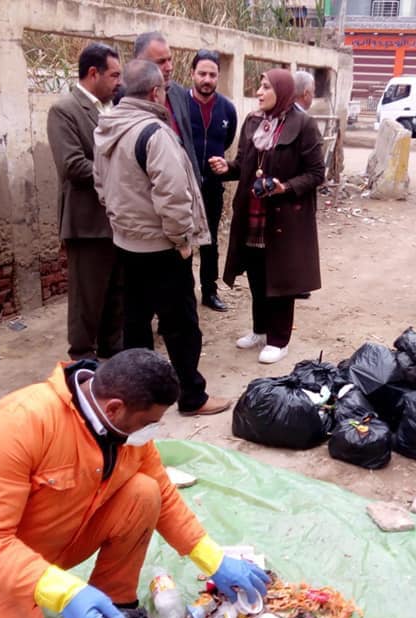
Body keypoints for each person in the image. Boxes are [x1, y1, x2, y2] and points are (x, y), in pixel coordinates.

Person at [0, 349, 269, 618]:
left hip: (59, 542)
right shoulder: (15, 425)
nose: (151, 432)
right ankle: (24, 617)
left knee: (144, 492)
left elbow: (165, 497)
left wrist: (212, 559)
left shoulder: (121, 426)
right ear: (114, 408)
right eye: (149, 423)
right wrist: (65, 592)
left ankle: (115, 604)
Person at [93, 60, 230, 416]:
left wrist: (121, 223)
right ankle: (192, 397)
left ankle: (136, 397)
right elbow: (172, 197)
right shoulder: (153, 133)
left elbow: (100, 184)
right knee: (182, 325)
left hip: (127, 243)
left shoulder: (108, 126)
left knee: (135, 323)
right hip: (161, 246)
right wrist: (182, 240)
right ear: (155, 92)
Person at [209, 70, 325, 365]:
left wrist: (285, 187)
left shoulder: (304, 125)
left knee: (280, 277)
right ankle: (260, 331)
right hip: (252, 212)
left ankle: (279, 339)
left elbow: (315, 174)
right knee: (257, 273)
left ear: (283, 91)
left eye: (265, 87)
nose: (259, 93)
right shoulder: (253, 122)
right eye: (259, 87)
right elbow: (246, 164)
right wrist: (228, 168)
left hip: (285, 217)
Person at [47, 43, 124, 361]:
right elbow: (72, 165)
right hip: (87, 222)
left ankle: (111, 351)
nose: (119, 82)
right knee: (87, 299)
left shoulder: (112, 107)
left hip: (115, 219)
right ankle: (81, 359)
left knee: (116, 294)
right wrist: (123, 174)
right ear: (94, 73)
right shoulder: (64, 110)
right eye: (114, 75)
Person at [186, 49, 238, 313]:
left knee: (210, 241)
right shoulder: (180, 106)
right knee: (180, 243)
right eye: (202, 73)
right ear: (192, 74)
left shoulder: (227, 109)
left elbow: (227, 142)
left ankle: (209, 292)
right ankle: (183, 297)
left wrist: (222, 165)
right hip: (182, 188)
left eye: (212, 74)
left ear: (218, 76)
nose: (207, 79)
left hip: (212, 188)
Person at [134, 31, 201, 186]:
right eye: (161, 62)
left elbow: (189, 146)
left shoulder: (179, 93)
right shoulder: (125, 98)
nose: (169, 67)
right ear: (139, 63)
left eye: (170, 59)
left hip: (183, 191)